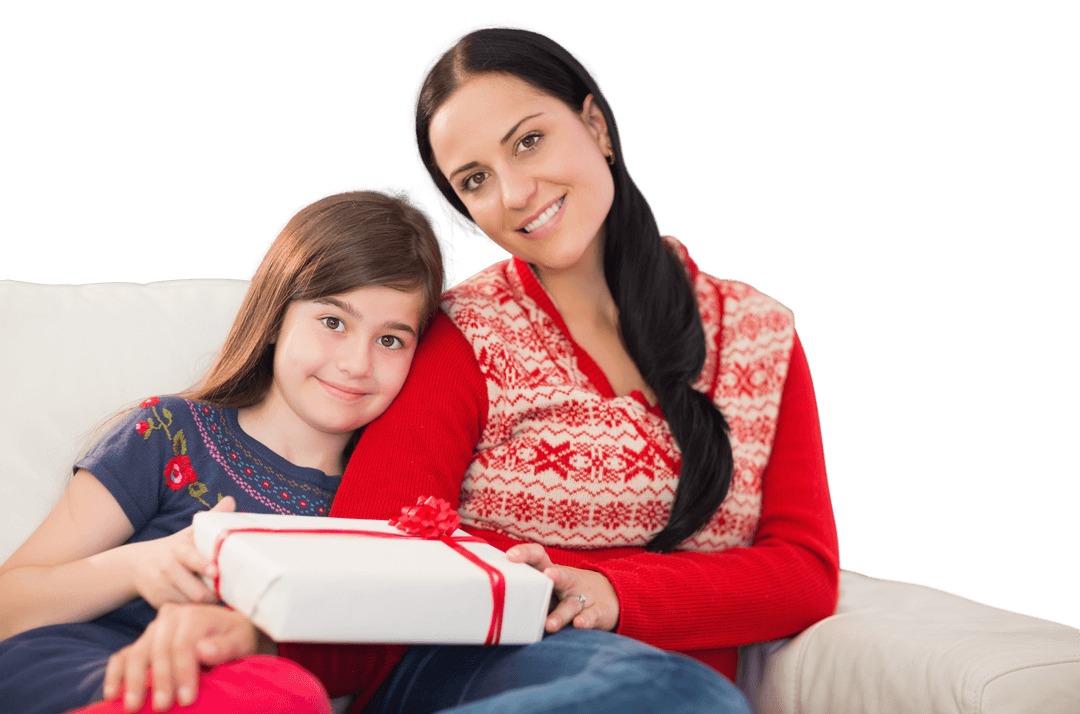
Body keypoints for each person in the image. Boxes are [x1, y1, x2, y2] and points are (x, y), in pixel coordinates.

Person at [101, 23, 840, 714]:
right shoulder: (464, 336)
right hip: (473, 667)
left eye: (528, 142)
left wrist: (614, 589)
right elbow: (376, 556)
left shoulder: (758, 332)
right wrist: (259, 637)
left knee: (677, 694)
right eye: (475, 180)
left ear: (596, 126)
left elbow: (805, 572)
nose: (515, 194)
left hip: (657, 683)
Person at [0, 186, 451, 714]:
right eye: (333, 322)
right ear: (277, 316)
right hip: (80, 669)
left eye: (391, 340)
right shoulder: (170, 434)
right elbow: (11, 604)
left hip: (241, 693)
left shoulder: (379, 507)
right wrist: (142, 564)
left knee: (284, 693)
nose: (357, 362)